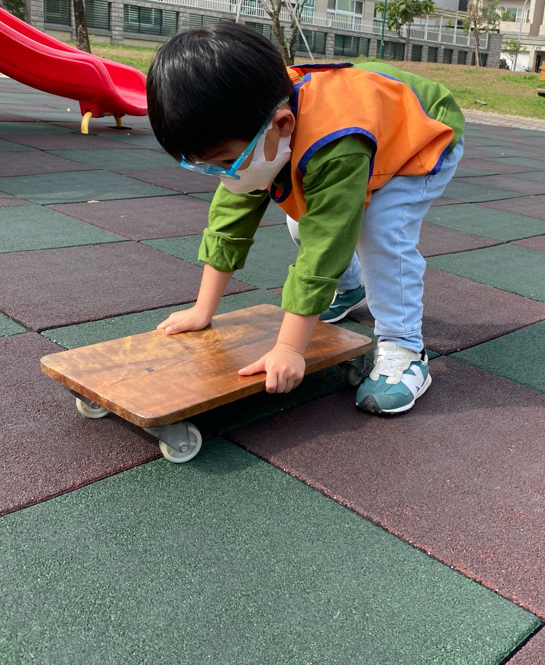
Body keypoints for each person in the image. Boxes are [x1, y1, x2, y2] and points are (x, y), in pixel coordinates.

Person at [145, 22, 464, 415]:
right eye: (210, 166)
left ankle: (405, 348)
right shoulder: (256, 121)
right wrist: (202, 310)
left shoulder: (335, 144)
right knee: (303, 215)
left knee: (380, 231)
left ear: (283, 125)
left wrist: (289, 347)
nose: (224, 174)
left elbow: (327, 240)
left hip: (423, 131)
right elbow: (231, 217)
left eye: (227, 162)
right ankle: (348, 289)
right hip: (369, 123)